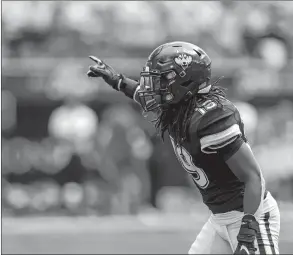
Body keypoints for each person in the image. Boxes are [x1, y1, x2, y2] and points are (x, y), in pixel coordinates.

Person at [87, 41, 280, 254]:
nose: (153, 88)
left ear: (184, 81)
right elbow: (142, 94)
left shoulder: (211, 118)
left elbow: (253, 176)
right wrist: (116, 80)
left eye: (161, 80)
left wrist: (249, 227)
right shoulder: (179, 107)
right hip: (219, 219)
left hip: (249, 215)